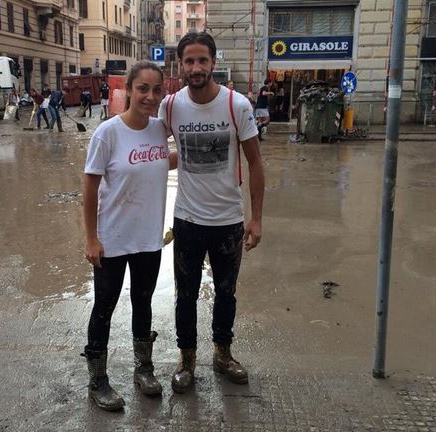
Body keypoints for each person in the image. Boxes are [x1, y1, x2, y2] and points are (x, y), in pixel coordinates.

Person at [158, 31, 264, 394]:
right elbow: (163, 155)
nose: (196, 67)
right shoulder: (170, 106)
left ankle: (222, 354)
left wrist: (256, 218)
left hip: (229, 222)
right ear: (180, 65)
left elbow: (255, 162)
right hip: (187, 219)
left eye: (203, 60)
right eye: (189, 61)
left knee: (226, 293)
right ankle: (186, 360)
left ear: (213, 63)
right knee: (184, 295)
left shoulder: (238, 105)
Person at [82, 61, 177, 411]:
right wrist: (91, 239)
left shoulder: (159, 130)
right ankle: (98, 380)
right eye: (143, 88)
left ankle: (144, 369)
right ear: (129, 90)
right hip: (112, 239)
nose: (150, 96)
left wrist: (202, 155)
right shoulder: (108, 133)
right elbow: (90, 189)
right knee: (104, 307)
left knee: (143, 302)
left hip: (148, 238)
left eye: (156, 89)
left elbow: (160, 161)